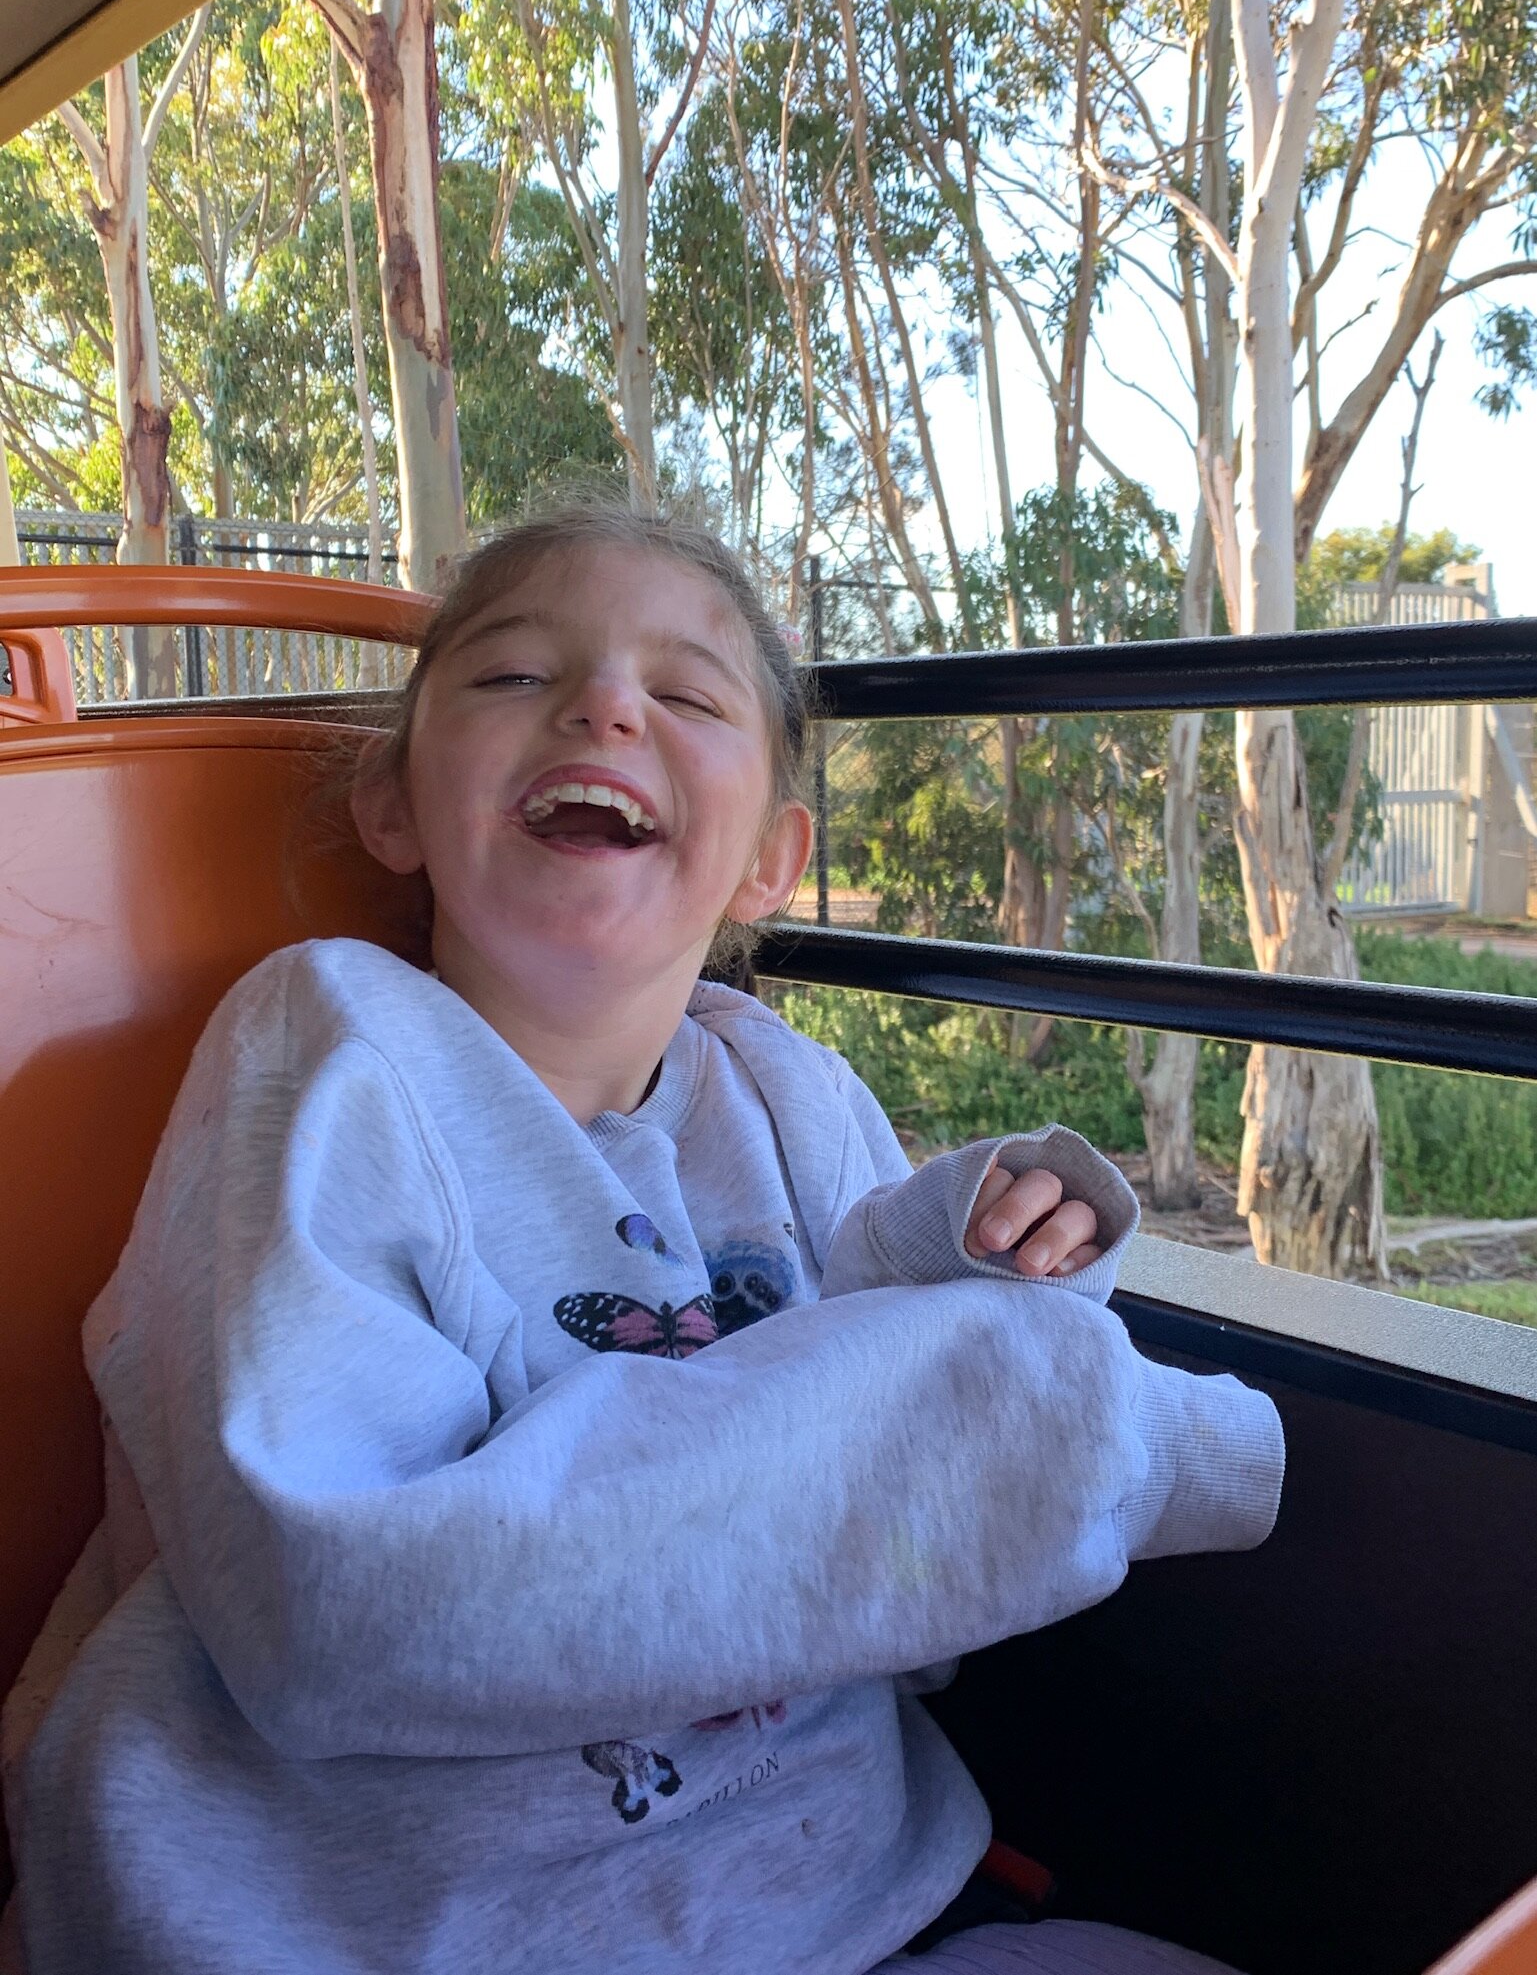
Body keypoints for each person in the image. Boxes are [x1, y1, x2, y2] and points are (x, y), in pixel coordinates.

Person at [14, 498, 1284, 1975]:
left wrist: (972, 1269)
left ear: (768, 858)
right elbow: (336, 1605)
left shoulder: (787, 1093)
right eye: (507, 676)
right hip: (380, 1925)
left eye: (684, 693)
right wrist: (980, 1409)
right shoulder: (329, 1045)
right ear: (395, 805)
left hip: (849, 1897)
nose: (605, 702)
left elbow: (909, 1599)